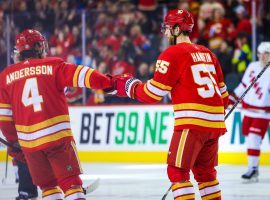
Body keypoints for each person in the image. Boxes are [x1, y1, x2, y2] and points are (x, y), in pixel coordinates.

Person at [112, 9, 229, 200]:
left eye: (167, 28)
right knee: (205, 174)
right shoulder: (208, 54)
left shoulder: (172, 54)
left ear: (176, 29)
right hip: (215, 125)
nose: (165, 33)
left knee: (177, 172)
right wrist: (213, 118)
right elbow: (224, 97)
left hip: (192, 124)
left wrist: (129, 86)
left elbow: (153, 93)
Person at [0, 29, 114, 200]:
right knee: (71, 185)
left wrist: (15, 146)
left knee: (48, 188)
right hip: (57, 140)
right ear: (39, 46)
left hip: (30, 147)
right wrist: (110, 83)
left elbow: (5, 118)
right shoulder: (53, 65)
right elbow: (84, 75)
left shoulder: (6, 76)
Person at [229, 42, 270, 181]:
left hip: (263, 113)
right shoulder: (252, 66)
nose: (263, 56)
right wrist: (231, 99)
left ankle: (252, 169)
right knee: (250, 140)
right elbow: (243, 86)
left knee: (253, 138)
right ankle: (254, 168)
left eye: (266, 53)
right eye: (261, 53)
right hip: (248, 110)